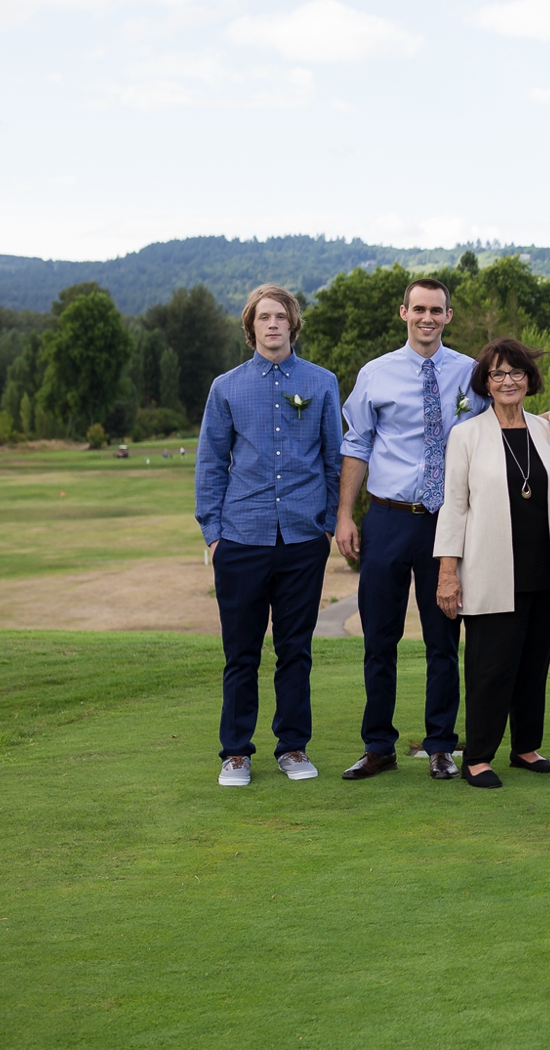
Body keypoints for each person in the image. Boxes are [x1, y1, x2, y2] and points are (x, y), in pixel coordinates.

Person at [334, 276, 550, 783]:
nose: (427, 317)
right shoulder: (375, 374)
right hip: (388, 517)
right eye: (418, 309)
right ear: (404, 313)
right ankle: (378, 745)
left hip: (447, 521)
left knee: (443, 640)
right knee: (379, 639)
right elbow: (356, 444)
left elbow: (508, 417)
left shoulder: (471, 373)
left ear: (448, 315)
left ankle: (441, 744)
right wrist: (344, 515)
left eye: (436, 310)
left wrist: (546, 418)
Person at [196, 284, 341, 787]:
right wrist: (213, 534)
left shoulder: (322, 382)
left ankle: (293, 746)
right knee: (241, 653)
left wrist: (327, 525)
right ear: (251, 326)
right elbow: (211, 463)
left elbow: (334, 459)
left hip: (303, 539)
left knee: (295, 650)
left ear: (292, 324)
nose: (273, 324)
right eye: (264, 317)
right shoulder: (226, 388)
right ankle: (236, 752)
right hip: (240, 538)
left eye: (280, 316)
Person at [433, 339, 550, 790]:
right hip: (492, 572)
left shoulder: (547, 430)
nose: (508, 381)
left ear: (529, 380)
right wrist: (447, 573)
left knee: (533, 667)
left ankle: (526, 748)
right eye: (498, 374)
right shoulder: (466, 435)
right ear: (486, 382)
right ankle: (478, 756)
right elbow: (454, 507)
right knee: (490, 669)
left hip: (544, 570)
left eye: (516, 372)